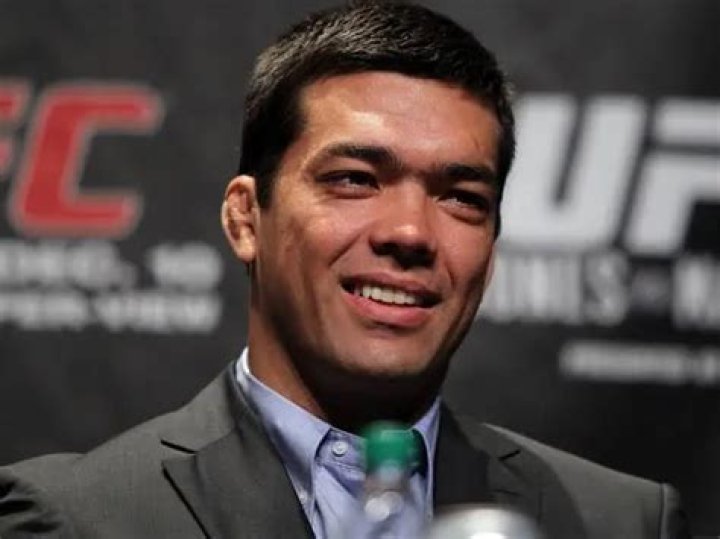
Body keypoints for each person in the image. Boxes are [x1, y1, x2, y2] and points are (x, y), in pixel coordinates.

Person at [0, 1, 690, 538]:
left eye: (461, 197)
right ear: (245, 218)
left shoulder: (622, 521)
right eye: (355, 179)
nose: (410, 233)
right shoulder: (78, 518)